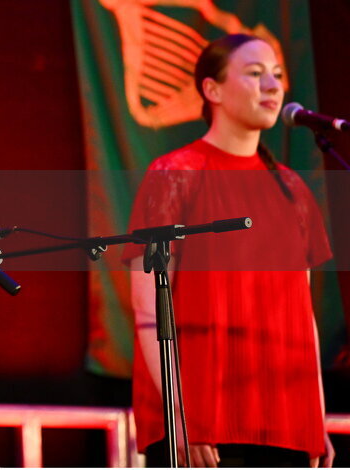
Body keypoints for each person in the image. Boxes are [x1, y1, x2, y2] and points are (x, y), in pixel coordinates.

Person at [126, 34, 334, 467]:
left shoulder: (293, 189)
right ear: (212, 90)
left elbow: (303, 320)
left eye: (277, 75)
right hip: (203, 424)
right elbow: (148, 309)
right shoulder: (174, 174)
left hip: (284, 424)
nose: (273, 86)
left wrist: (315, 419)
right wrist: (179, 413)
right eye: (255, 74)